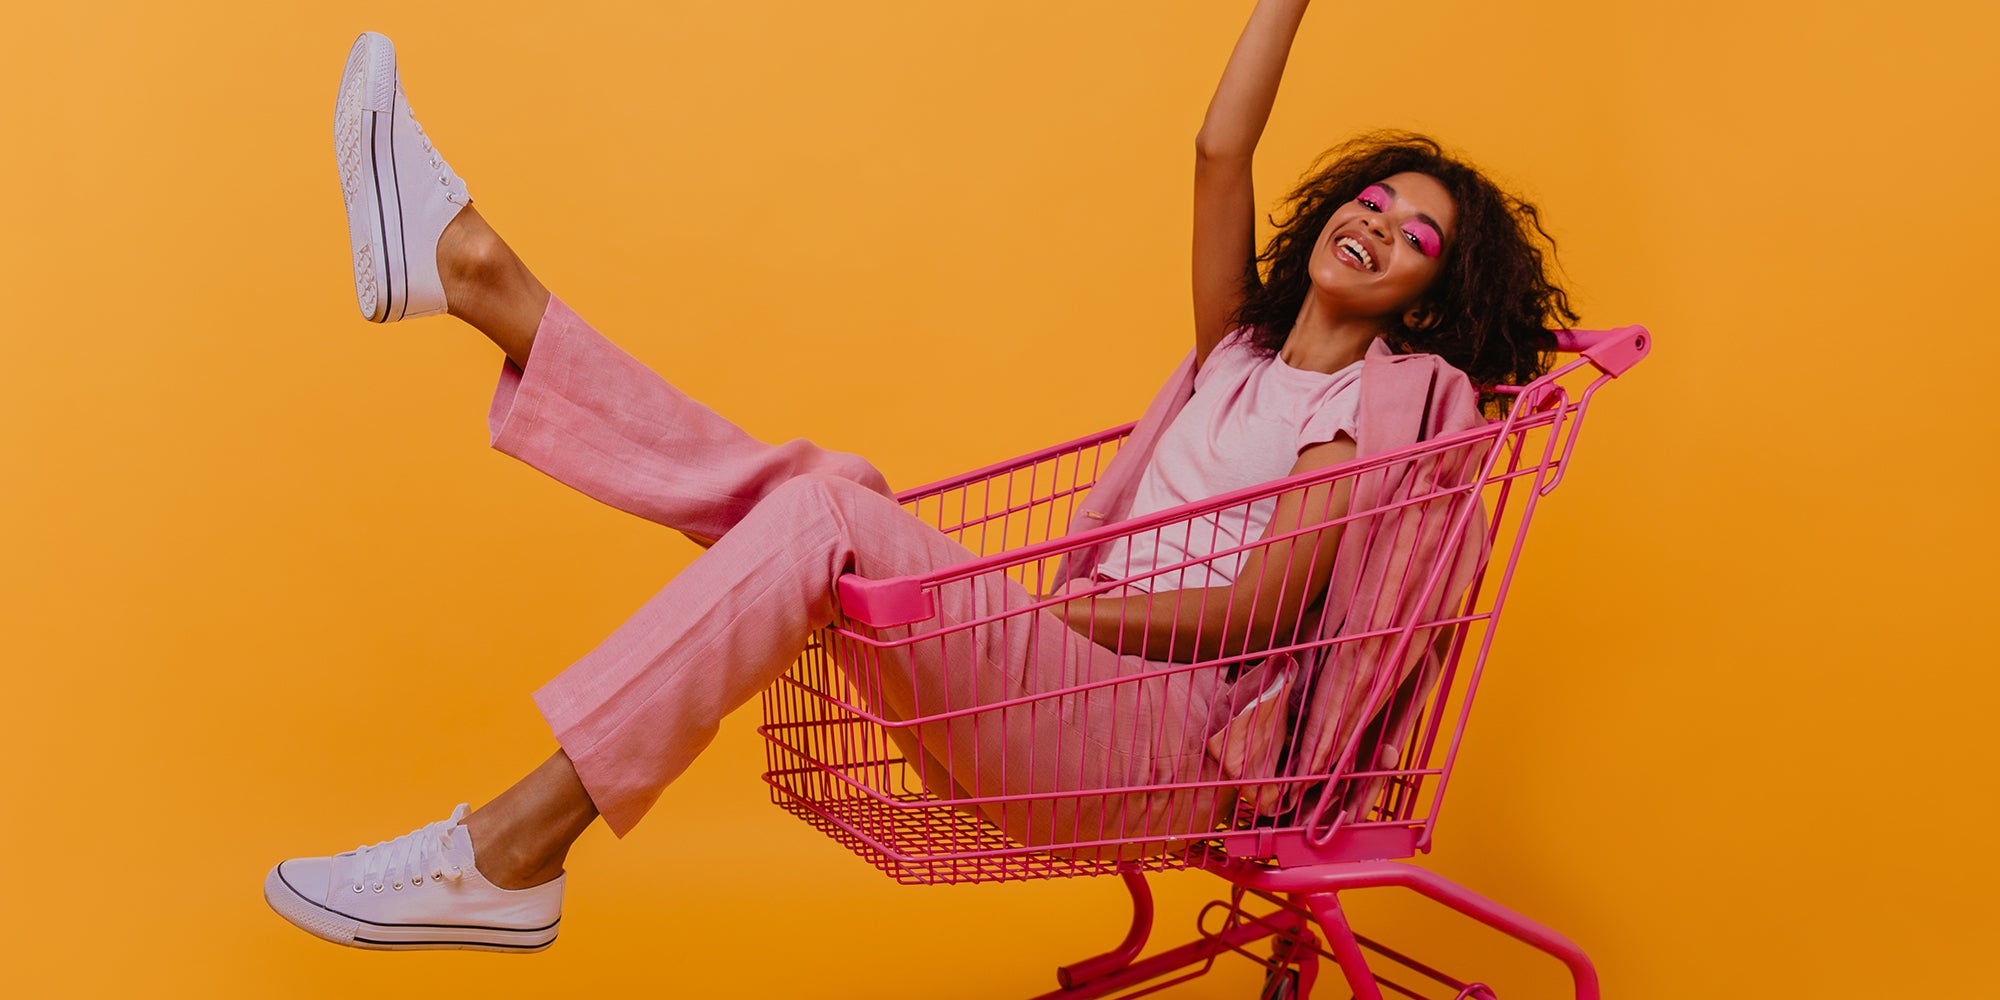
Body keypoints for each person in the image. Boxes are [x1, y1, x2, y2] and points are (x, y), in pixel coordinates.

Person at [267, 0, 1577, 953]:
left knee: (828, 507)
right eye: (1375, 198)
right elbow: (1217, 154)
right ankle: (486, 284)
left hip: (1149, 731)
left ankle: (507, 845)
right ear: (1332, 208)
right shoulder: (1233, 351)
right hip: (1067, 695)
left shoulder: (1376, 407)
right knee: (822, 494)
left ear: (1432, 291)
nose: (1377, 226)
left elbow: (1267, 610)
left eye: (1417, 236)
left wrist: (1058, 613)